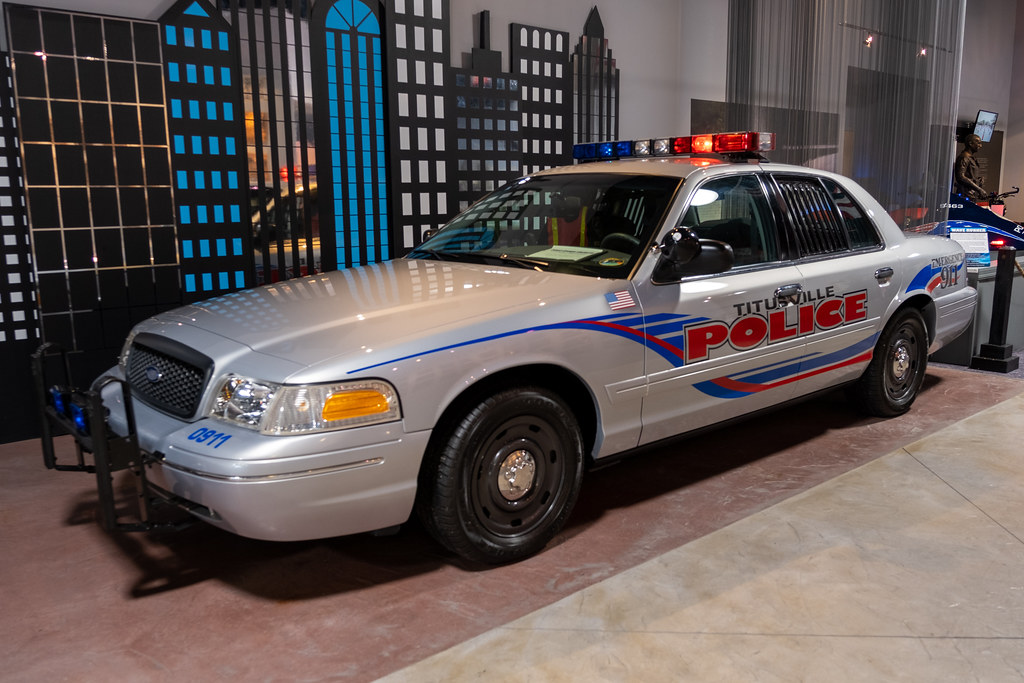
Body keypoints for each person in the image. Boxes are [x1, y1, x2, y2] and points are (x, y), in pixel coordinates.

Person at [953, 133, 988, 199]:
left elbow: (969, 176)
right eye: (978, 143)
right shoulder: (964, 157)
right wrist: (979, 189)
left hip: (971, 195)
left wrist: (978, 181)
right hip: (965, 196)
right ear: (970, 143)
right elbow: (961, 177)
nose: (980, 146)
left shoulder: (970, 158)